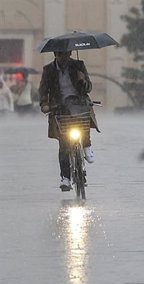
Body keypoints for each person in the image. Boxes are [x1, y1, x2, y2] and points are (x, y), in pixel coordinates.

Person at [39, 51, 99, 191]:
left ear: (70, 53)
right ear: (55, 54)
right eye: (60, 55)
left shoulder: (78, 65)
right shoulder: (49, 70)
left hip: (79, 104)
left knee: (84, 124)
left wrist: (83, 81)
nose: (63, 58)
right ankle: (65, 178)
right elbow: (43, 91)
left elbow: (89, 88)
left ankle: (87, 146)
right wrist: (44, 104)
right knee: (64, 144)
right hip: (60, 108)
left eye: (65, 54)